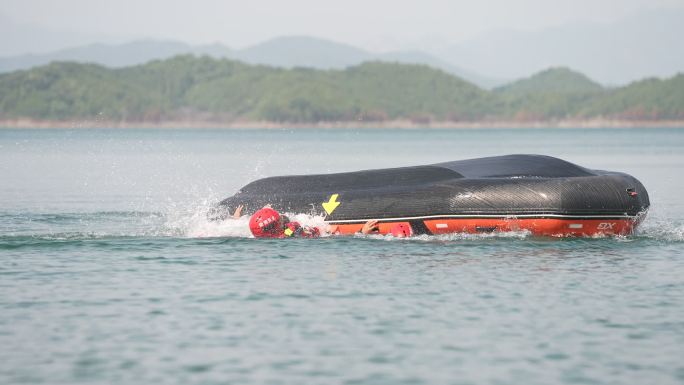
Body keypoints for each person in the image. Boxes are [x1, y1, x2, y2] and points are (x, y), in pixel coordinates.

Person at [248, 206, 380, 238]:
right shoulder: (294, 233)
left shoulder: (263, 237)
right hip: (322, 236)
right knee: (331, 230)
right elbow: (330, 237)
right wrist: (361, 233)